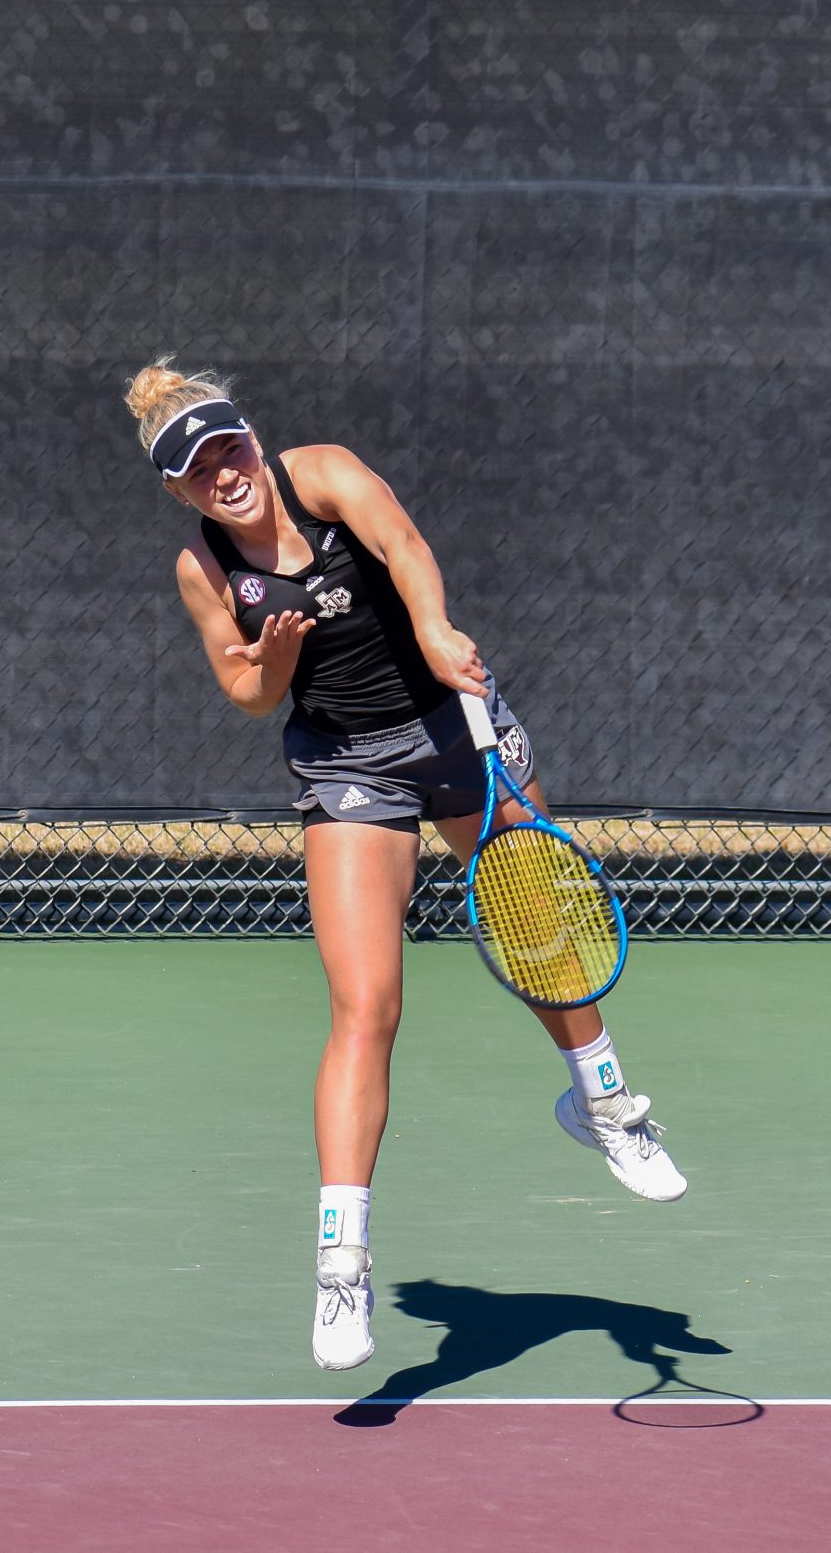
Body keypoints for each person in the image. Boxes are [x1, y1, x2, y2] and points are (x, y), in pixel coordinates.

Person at [128, 358, 687, 1373]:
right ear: (177, 491)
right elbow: (246, 693)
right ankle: (342, 1264)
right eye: (196, 469)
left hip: (450, 729)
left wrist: (429, 629)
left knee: (539, 927)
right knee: (365, 1005)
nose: (223, 471)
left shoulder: (326, 473)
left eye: (227, 446)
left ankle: (603, 1104)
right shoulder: (203, 568)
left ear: (251, 435)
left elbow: (405, 546)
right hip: (347, 768)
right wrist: (281, 660)